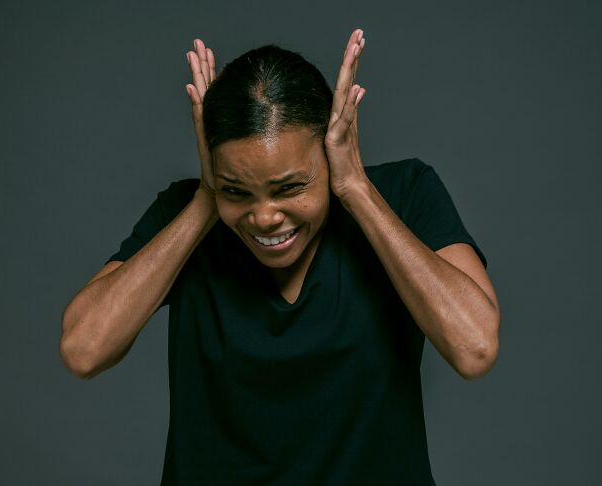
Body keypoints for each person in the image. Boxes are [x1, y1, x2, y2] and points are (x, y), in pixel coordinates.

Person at [60, 29, 500, 485]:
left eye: (289, 188)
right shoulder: (188, 213)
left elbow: (475, 347)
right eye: (238, 191)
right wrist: (207, 199)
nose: (265, 217)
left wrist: (356, 189)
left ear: (329, 152)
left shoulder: (404, 196)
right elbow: (83, 350)